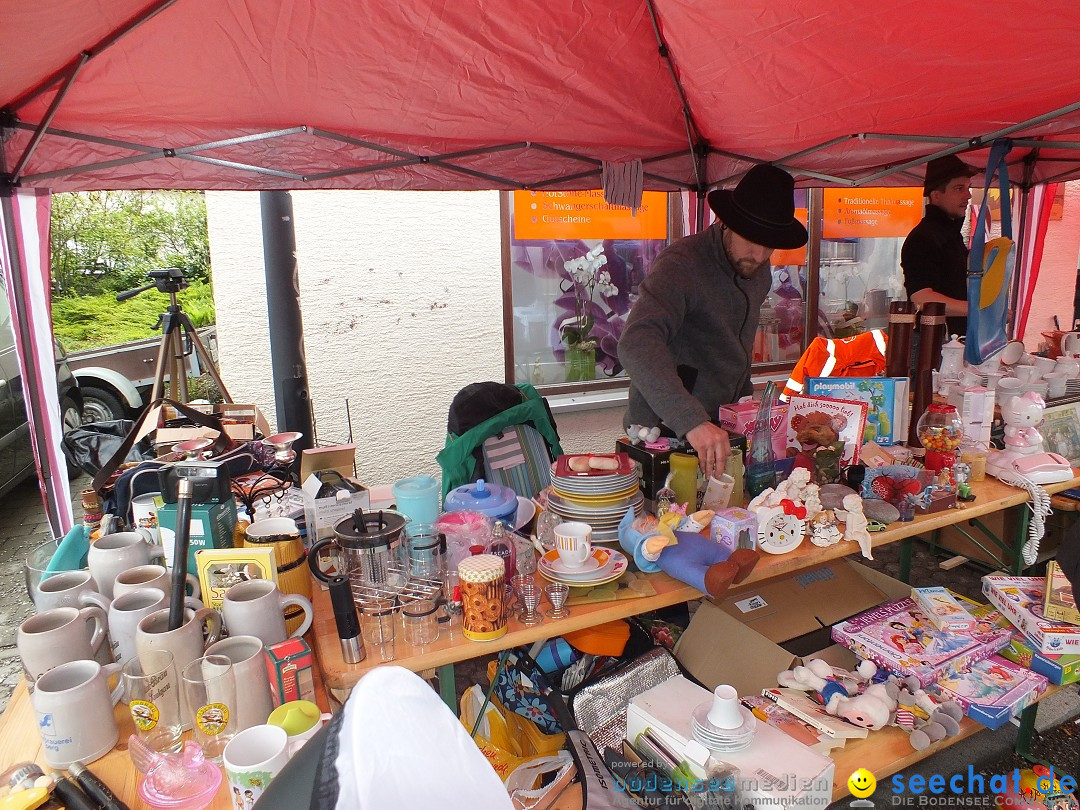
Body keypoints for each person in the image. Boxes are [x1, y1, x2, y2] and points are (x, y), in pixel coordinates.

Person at [618, 164, 807, 480]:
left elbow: (738, 344)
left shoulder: (757, 268)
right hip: (663, 428)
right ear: (727, 223)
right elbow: (636, 342)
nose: (759, 254)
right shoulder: (682, 264)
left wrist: (745, 407)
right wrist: (690, 419)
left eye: (769, 243)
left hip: (721, 426)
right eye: (751, 238)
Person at [901, 154, 979, 336]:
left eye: (968, 188)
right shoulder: (923, 238)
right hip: (934, 348)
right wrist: (976, 309)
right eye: (959, 188)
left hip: (954, 343)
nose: (967, 195)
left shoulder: (950, 235)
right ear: (936, 195)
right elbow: (921, 298)